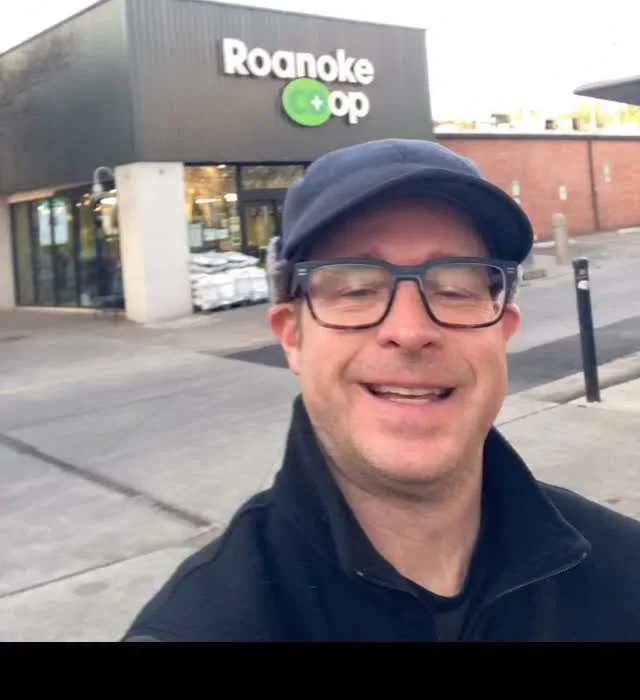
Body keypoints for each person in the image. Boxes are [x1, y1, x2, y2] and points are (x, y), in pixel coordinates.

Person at [123, 138, 640, 642]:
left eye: (455, 288)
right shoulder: (199, 626)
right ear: (293, 337)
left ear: (503, 332)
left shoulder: (623, 573)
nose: (410, 331)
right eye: (357, 289)